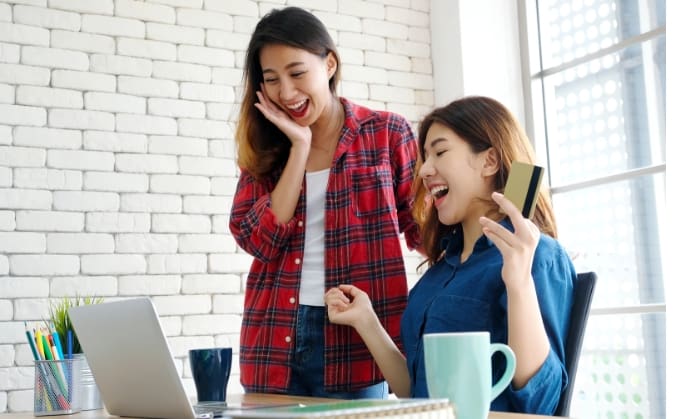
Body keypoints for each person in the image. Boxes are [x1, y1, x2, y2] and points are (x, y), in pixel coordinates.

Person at [326, 96, 577, 415]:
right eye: (424, 157)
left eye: (440, 152)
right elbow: (418, 395)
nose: (424, 170)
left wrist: (519, 285)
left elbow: (541, 404)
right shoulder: (441, 271)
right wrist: (366, 320)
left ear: (489, 161)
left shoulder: (536, 256)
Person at [229, 6, 421, 398]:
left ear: (329, 64)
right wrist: (298, 148)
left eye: (298, 73)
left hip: (356, 342)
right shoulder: (266, 149)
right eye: (272, 80)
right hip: (273, 341)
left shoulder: (386, 134)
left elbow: (426, 229)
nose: (286, 93)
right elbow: (259, 242)